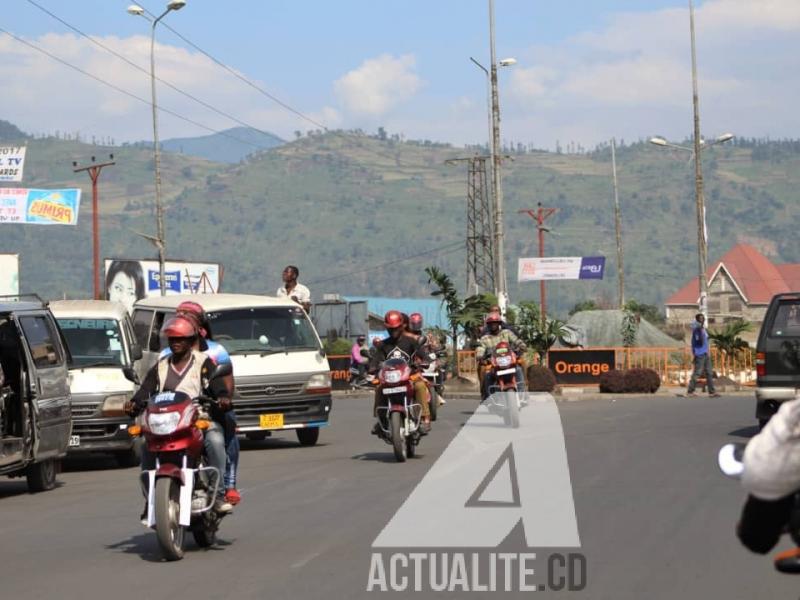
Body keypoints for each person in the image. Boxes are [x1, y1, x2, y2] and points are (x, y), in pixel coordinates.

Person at [126, 316, 233, 515]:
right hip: (165, 421)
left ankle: (217, 495)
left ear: (191, 339)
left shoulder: (203, 362)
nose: (175, 343)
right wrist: (134, 403)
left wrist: (223, 396)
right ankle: (151, 500)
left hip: (197, 418)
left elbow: (218, 385)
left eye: (180, 339)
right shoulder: (161, 365)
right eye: (172, 339)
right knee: (144, 444)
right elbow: (146, 389)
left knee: (215, 440)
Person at [159, 301, 241, 506]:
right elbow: (152, 387)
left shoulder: (214, 352)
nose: (182, 317)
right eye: (178, 314)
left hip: (206, 411)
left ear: (197, 325)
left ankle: (226, 485)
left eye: (187, 315)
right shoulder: (165, 357)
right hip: (173, 416)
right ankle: (151, 497)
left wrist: (222, 399)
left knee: (222, 433)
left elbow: (225, 384)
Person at [369, 310, 432, 433]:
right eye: (390, 329)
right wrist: (371, 368)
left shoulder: (411, 341)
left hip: (409, 377)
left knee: (420, 385)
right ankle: (380, 420)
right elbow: (375, 361)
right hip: (390, 379)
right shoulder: (383, 345)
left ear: (402, 326)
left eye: (396, 328)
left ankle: (425, 419)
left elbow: (424, 356)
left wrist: (424, 361)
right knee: (378, 388)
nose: (393, 331)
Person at [476, 311, 527, 400]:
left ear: (499, 323)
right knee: (487, 374)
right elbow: (481, 348)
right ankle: (487, 397)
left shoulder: (506, 333)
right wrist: (480, 356)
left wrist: (522, 346)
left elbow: (516, 340)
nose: (493, 325)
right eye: (491, 324)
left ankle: (523, 391)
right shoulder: (485, 338)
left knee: (519, 368)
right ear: (488, 325)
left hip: (509, 361)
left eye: (495, 323)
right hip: (494, 364)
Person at [684, 313, 720, 397]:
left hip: (706, 353)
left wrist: (708, 351)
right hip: (699, 354)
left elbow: (706, 342)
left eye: (703, 318)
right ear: (697, 320)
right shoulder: (697, 330)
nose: (702, 320)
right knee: (697, 372)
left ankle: (712, 392)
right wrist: (700, 331)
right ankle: (690, 391)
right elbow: (699, 341)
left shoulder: (702, 329)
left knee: (709, 372)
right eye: (700, 319)